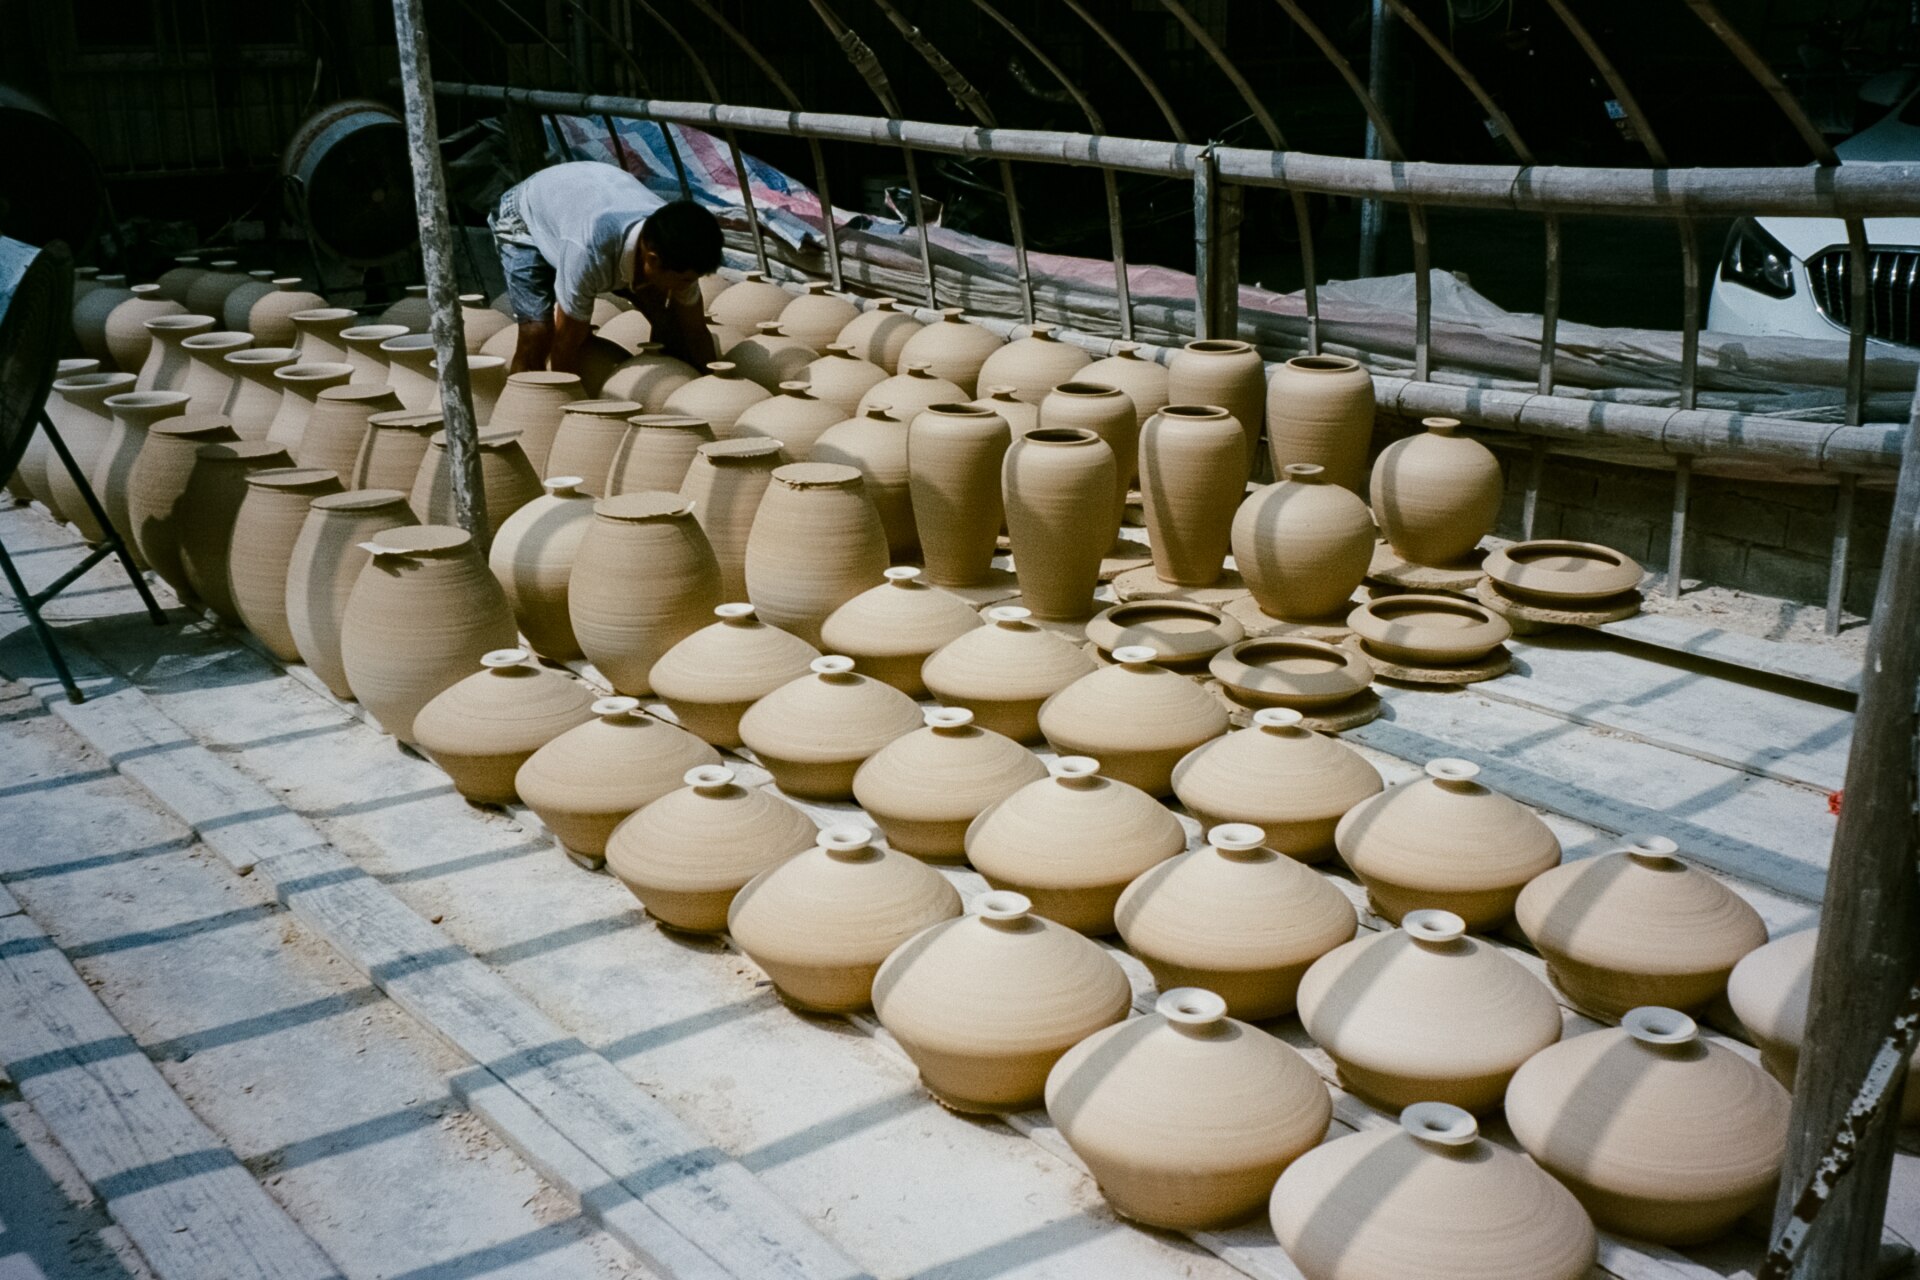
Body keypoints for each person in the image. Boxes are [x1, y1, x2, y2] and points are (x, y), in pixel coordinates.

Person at [489, 160, 723, 375]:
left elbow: (696, 332)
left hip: (588, 193)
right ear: (652, 259)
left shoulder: (676, 241)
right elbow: (566, 343)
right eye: (685, 280)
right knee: (537, 333)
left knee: (671, 322)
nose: (688, 285)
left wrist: (710, 378)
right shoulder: (589, 251)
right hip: (523, 217)